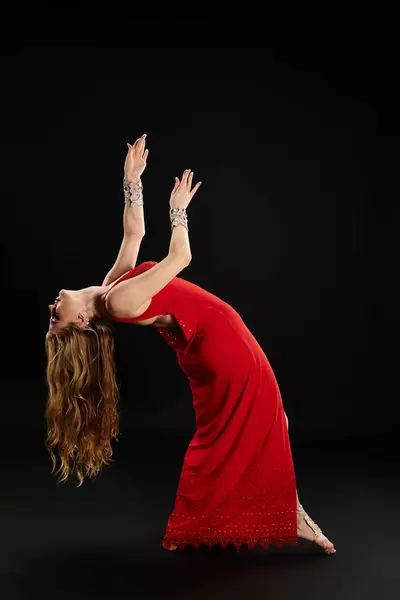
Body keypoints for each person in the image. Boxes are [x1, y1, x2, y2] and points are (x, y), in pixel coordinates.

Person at [45, 135, 336, 555]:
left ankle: (288, 511)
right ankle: (285, 514)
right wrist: (178, 212)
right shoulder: (118, 301)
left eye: (52, 313)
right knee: (251, 425)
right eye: (57, 317)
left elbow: (135, 231)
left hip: (211, 345)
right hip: (222, 343)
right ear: (83, 322)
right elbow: (180, 259)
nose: (53, 306)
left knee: (268, 422)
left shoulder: (109, 288)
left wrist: (133, 180)